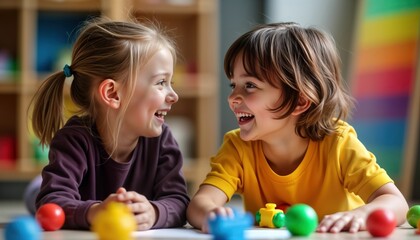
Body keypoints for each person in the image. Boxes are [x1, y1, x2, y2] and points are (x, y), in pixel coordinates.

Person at [187, 22, 408, 233]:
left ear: (300, 101)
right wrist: (211, 213)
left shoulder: (339, 143)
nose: (233, 97)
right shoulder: (237, 147)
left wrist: (362, 215)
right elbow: (199, 204)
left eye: (250, 86)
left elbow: (396, 203)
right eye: (233, 84)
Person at [30, 17, 190, 230]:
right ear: (112, 93)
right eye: (161, 82)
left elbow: (179, 201)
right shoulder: (73, 140)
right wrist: (96, 211)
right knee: (35, 196)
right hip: (47, 193)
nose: (174, 96)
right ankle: (34, 186)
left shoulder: (163, 140)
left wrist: (154, 211)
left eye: (171, 83)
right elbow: (51, 203)